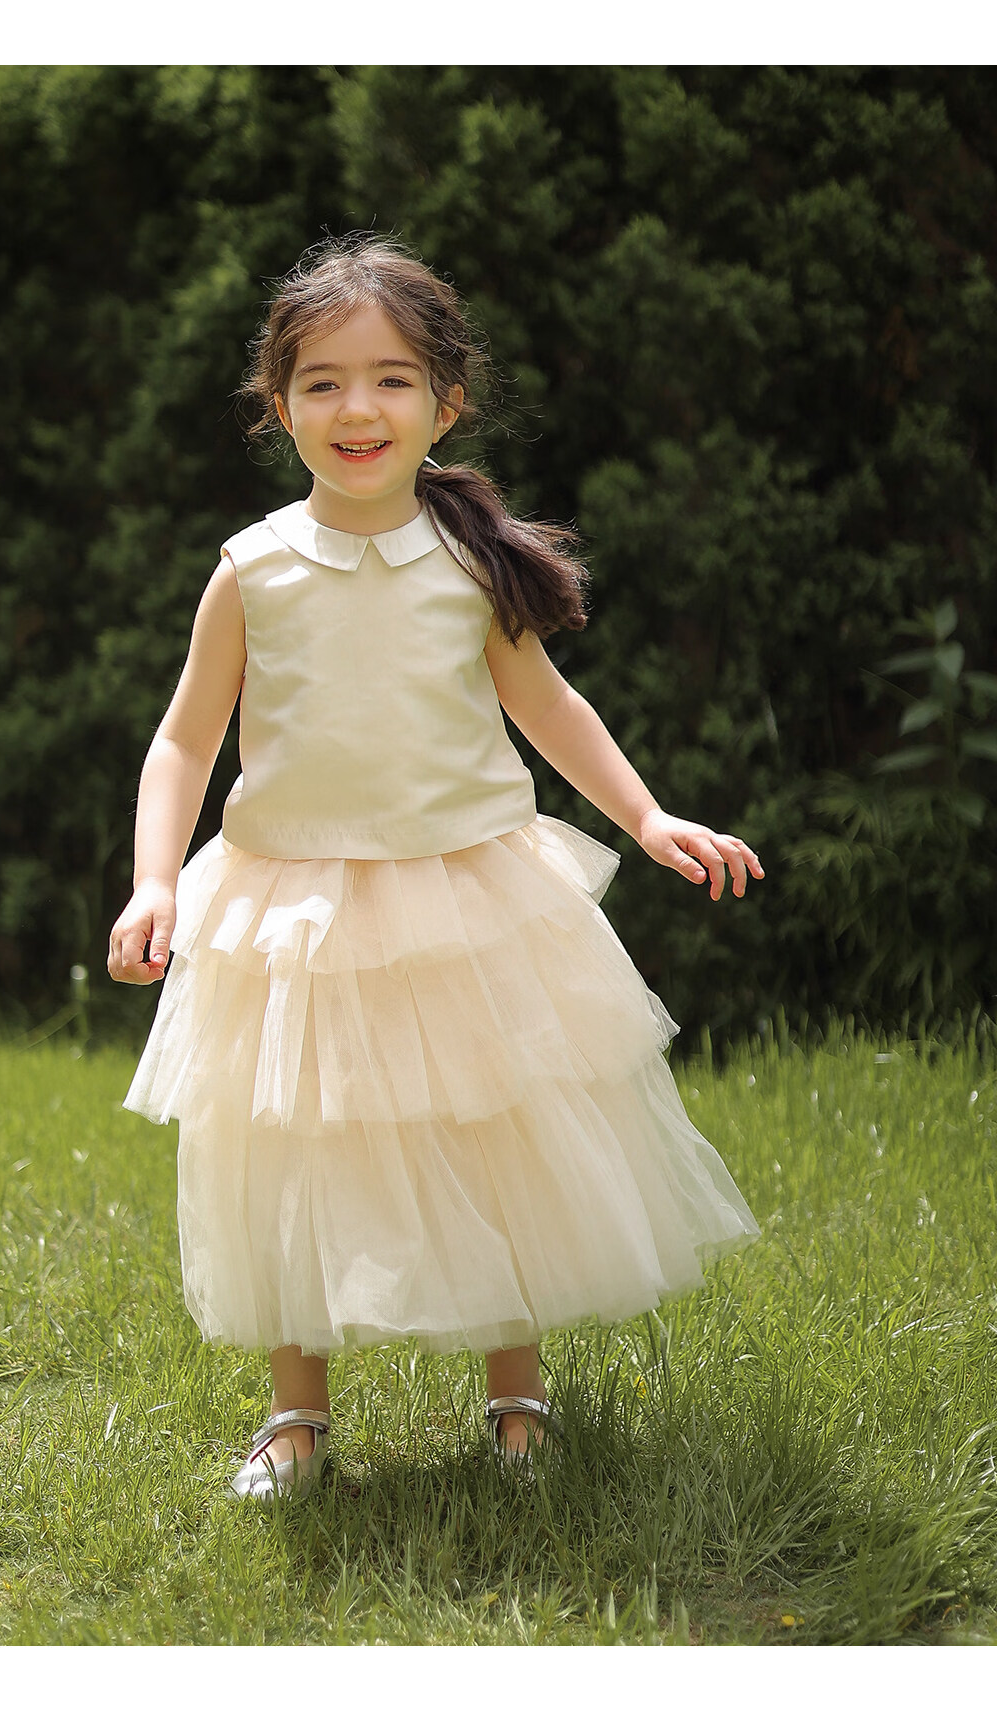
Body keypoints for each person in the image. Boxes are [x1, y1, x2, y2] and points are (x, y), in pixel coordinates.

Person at [108, 234, 763, 1501]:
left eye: (392, 380)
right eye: (322, 383)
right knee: (292, 1152)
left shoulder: (468, 560)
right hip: (294, 905)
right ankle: (296, 1419)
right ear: (279, 406)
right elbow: (184, 737)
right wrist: (156, 881)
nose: (358, 408)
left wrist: (647, 818)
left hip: (466, 896)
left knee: (493, 1134)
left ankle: (516, 1397)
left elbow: (548, 705)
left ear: (445, 404)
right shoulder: (253, 570)